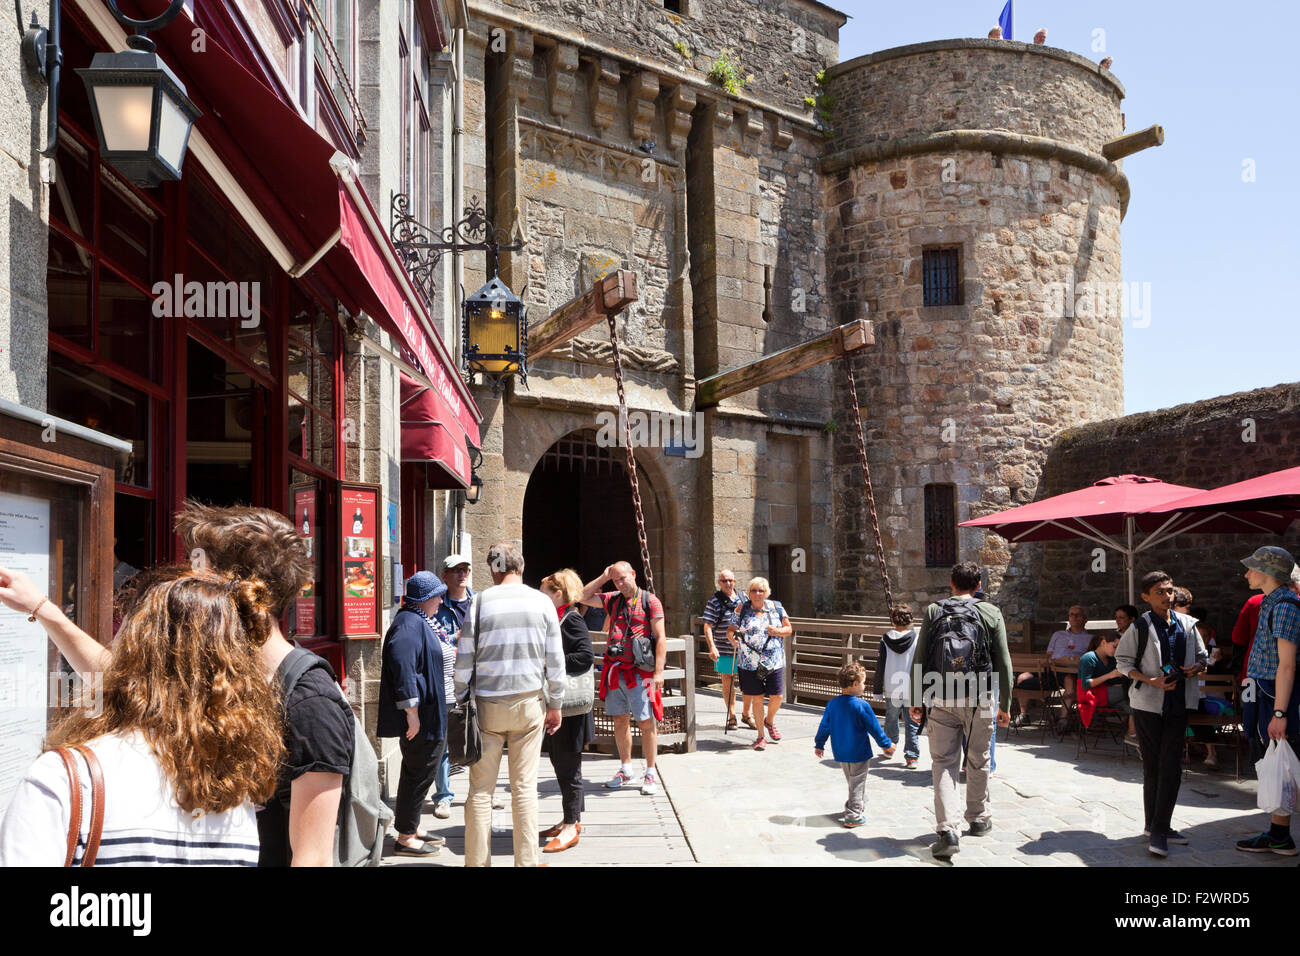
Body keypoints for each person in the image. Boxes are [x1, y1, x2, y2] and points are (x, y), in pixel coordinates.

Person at [0, 502, 354, 866]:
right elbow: (122, 678)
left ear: (238, 590)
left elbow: (313, 857)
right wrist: (42, 608)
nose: (186, 578)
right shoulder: (212, 674)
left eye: (197, 565)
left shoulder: (311, 701)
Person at [0, 569, 283, 865]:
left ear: (133, 649)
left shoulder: (67, 779)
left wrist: (42, 609)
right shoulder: (234, 792)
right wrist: (42, 609)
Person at [455, 542, 564, 867]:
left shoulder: (479, 603)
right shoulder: (541, 603)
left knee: (480, 792)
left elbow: (464, 661)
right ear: (521, 566)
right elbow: (555, 661)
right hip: (529, 704)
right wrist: (555, 702)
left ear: (494, 569)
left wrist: (461, 698)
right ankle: (526, 863)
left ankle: (477, 863)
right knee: (524, 789)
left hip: (487, 705)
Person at [909, 562, 1012, 859]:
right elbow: (1003, 661)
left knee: (943, 762)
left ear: (951, 584)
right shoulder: (990, 612)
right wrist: (1005, 703)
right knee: (979, 758)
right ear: (978, 584)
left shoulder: (934, 610)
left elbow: (921, 655)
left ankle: (948, 829)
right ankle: (979, 818)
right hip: (981, 695)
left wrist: (917, 697)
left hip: (941, 695)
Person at [1116, 570, 1208, 858]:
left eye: (1169, 591)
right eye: (1160, 592)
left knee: (1170, 766)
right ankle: (1155, 828)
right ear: (1146, 596)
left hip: (1179, 702)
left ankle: (1159, 826)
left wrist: (1195, 668)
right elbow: (1123, 663)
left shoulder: (1187, 624)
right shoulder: (1139, 628)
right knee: (1154, 766)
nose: (1167, 596)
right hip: (1147, 705)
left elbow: (1204, 658)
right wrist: (1150, 680)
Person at [378, 571, 451, 857]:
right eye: (437, 595)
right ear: (425, 599)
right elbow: (403, 666)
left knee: (419, 769)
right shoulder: (409, 623)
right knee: (420, 770)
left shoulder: (417, 619)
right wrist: (412, 713)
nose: (441, 600)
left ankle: (410, 824)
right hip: (424, 715)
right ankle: (406, 837)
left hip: (432, 710)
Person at [579, 562, 667, 793]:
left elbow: (661, 637)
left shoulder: (650, 601)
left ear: (634, 575)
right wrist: (603, 576)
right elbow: (582, 596)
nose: (620, 583)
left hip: (640, 672)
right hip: (615, 670)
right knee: (619, 719)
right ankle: (626, 768)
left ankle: (650, 773)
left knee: (646, 722)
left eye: (623, 578)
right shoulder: (612, 599)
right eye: (616, 580)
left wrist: (659, 672)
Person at [1235, 546, 1300, 857]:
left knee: (1288, 766)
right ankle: (1279, 835)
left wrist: (1279, 712)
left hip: (1279, 696)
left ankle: (1280, 834)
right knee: (1280, 768)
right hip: (1267, 693)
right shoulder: (1271, 604)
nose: (1247, 573)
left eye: (1252, 568)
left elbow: (1287, 665)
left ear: (1269, 573)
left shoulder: (1285, 607)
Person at [539, 569, 596, 853]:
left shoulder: (571, 618)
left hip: (571, 709)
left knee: (568, 765)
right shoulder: (557, 617)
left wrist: (551, 662)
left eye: (544, 591)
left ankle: (571, 826)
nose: (540, 595)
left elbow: (585, 656)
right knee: (561, 762)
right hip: (561, 705)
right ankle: (568, 820)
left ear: (558, 593)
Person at [815, 662, 896, 828]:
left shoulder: (832, 704)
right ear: (855, 684)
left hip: (840, 752)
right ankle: (853, 814)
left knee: (852, 781)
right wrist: (887, 744)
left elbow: (824, 726)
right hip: (859, 751)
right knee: (857, 782)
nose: (864, 686)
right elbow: (874, 728)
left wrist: (819, 744)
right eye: (864, 683)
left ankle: (856, 802)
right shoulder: (862, 705)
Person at [727, 577, 793, 752]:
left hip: (773, 660)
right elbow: (731, 631)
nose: (757, 594)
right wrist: (734, 639)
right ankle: (760, 736)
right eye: (754, 590)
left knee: (777, 696)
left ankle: (769, 720)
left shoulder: (776, 607)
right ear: (748, 593)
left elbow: (789, 629)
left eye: (761, 591)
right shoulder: (742, 609)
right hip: (749, 662)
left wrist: (777, 631)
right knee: (757, 698)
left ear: (766, 593)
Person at [431, 554, 474, 819]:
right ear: (444, 576)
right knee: (444, 740)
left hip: (478, 678)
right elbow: (434, 638)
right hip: (447, 679)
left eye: (465, 569)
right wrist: (458, 637)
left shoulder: (479, 601)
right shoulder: (437, 604)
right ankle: (444, 796)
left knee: (479, 738)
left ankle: (480, 795)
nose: (461, 574)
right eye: (455, 570)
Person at [874, 604, 920, 768]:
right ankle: (911, 757)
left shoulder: (885, 639)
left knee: (891, 719)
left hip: (891, 685)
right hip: (911, 687)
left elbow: (880, 664)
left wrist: (877, 690)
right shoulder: (916, 638)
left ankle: (889, 747)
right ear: (911, 620)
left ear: (892, 621)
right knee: (912, 721)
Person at [702, 569, 747, 730]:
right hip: (724, 646)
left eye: (730, 580)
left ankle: (747, 714)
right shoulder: (714, 601)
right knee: (728, 679)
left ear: (735, 581)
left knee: (749, 680)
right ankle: (732, 715)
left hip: (744, 647)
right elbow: (707, 625)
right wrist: (712, 647)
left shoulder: (744, 597)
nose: (728, 583)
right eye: (724, 581)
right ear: (719, 582)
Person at [1077, 632, 1132, 735]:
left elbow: (1113, 681)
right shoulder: (1088, 658)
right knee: (1131, 691)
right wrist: (1109, 675)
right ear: (1103, 643)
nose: (1117, 651)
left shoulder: (1111, 660)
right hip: (1090, 694)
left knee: (1134, 707)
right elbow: (1085, 684)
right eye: (1115, 646)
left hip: (1107, 693)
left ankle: (1132, 735)